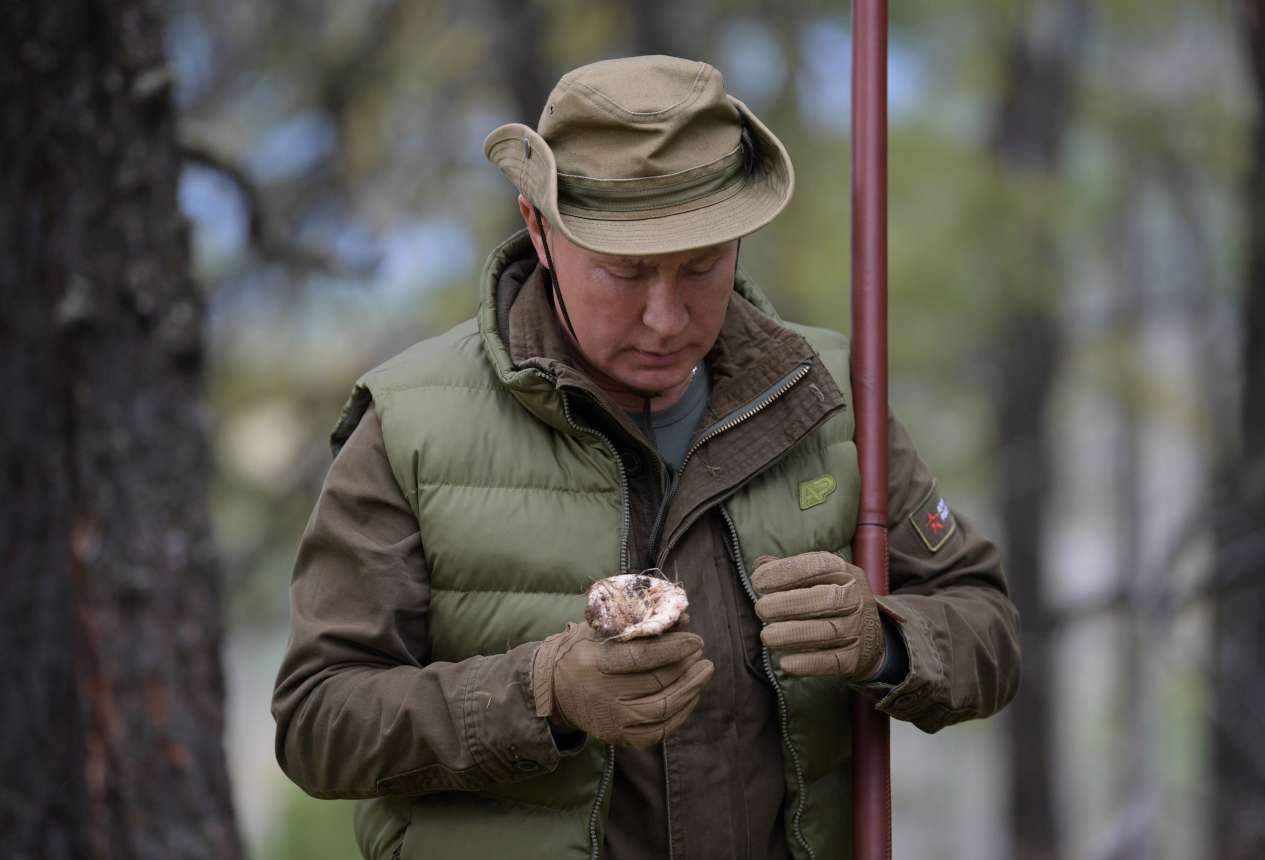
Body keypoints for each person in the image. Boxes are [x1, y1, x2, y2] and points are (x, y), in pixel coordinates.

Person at [272, 55, 1020, 860]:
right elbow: (318, 721)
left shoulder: (829, 396)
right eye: (623, 274)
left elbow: (988, 627)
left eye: (702, 267)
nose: (666, 318)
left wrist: (886, 640)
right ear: (539, 229)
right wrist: (540, 693)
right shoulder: (409, 426)